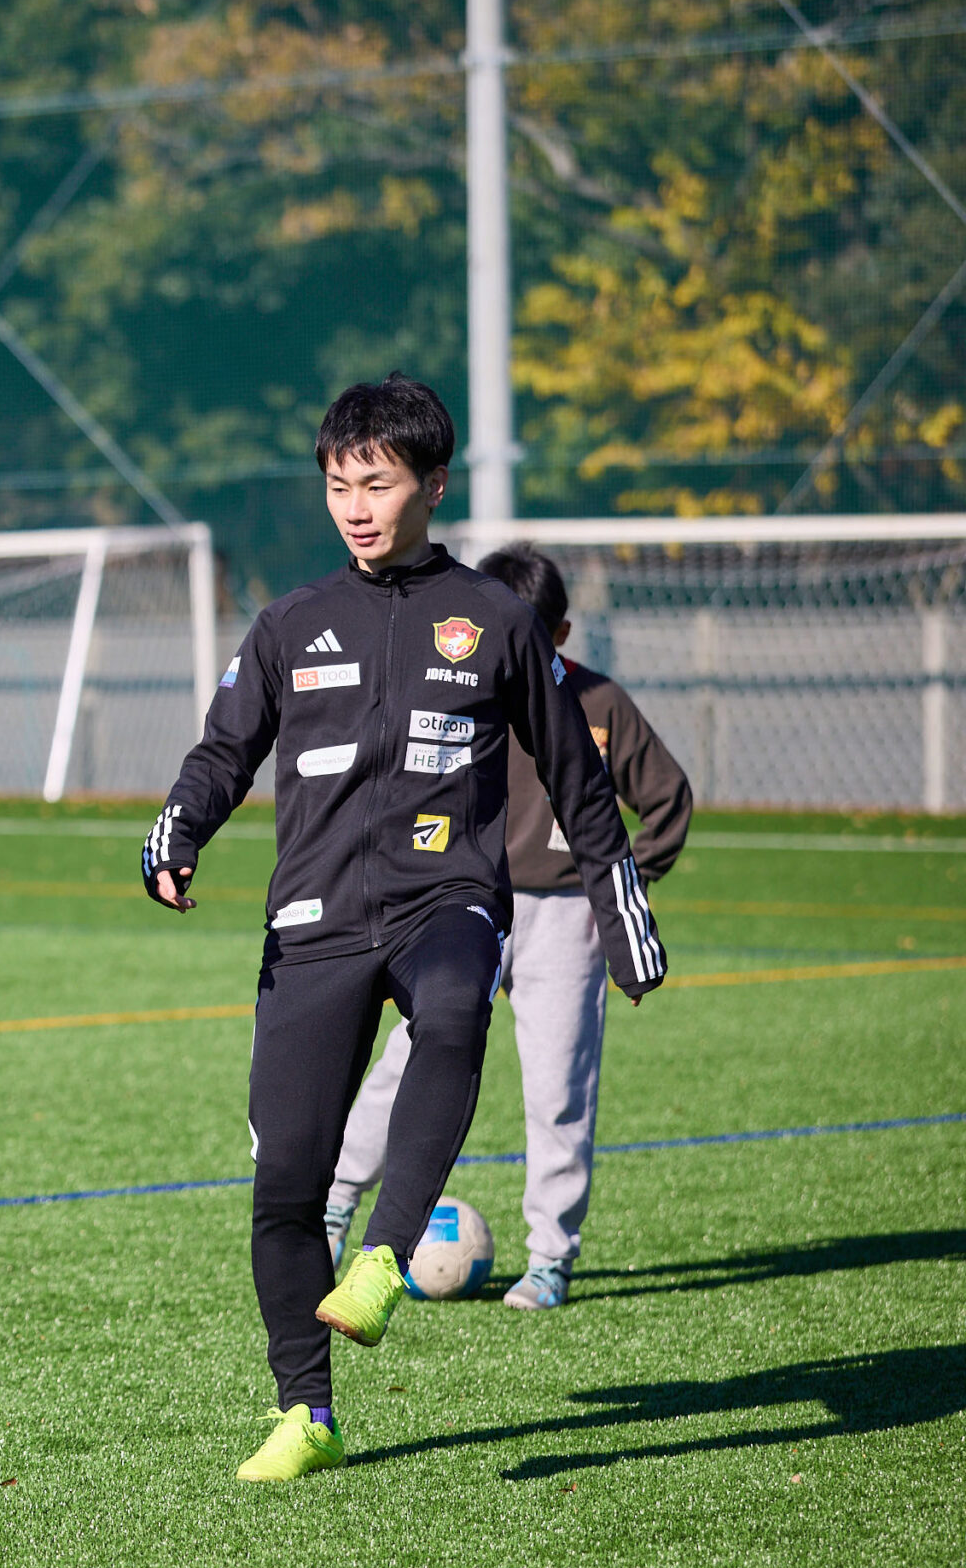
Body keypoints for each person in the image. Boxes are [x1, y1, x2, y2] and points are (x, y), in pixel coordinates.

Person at [138, 375, 667, 1483]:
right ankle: (306, 1410)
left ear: (432, 484)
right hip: (311, 925)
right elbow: (222, 751)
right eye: (339, 486)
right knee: (283, 1182)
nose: (357, 506)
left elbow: (578, 781)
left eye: (376, 484)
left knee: (453, 1006)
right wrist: (177, 833)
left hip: (446, 901)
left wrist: (622, 918)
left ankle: (384, 1252)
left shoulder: (499, 620)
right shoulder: (290, 624)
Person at [325, 544, 691, 1309]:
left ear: (558, 633)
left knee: (559, 1086)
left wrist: (617, 892)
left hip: (566, 923)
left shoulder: (600, 705)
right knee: (405, 1063)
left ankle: (551, 1259)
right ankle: (335, 1207)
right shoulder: (452, 693)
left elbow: (667, 800)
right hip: (464, 907)